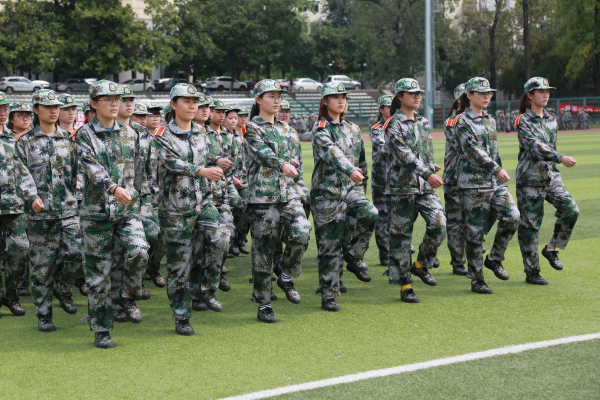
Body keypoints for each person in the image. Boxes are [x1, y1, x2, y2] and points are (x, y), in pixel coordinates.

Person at [76, 80, 150, 348]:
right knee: (99, 274)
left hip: (127, 210)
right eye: (108, 99)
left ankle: (128, 293)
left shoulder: (132, 133)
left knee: (140, 250)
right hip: (96, 214)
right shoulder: (84, 134)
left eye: (117, 98)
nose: (115, 103)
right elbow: (91, 167)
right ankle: (102, 329)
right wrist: (113, 187)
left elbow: (140, 171)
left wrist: (143, 199)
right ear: (94, 104)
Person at [153, 84, 229, 335]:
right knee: (179, 264)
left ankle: (207, 288)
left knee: (222, 236)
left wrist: (217, 160)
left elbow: (208, 154)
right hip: (175, 209)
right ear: (173, 104)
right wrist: (201, 171)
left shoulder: (201, 130)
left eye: (194, 101)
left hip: (202, 202)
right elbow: (172, 162)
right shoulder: (162, 134)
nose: (192, 106)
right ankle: (182, 316)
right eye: (186, 101)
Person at [14, 90, 82, 332]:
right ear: (36, 109)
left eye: (56, 106)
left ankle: (63, 287)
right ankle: (44, 315)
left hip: (69, 210)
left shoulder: (70, 140)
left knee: (76, 252)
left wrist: (79, 187)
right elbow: (20, 173)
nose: (54, 111)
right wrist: (31, 196)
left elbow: (80, 171)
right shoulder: (24, 142)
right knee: (42, 266)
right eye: (48, 106)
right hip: (40, 215)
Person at [244, 79, 312, 323]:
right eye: (270, 96)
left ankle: (284, 271)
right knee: (263, 250)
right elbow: (262, 153)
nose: (276, 100)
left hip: (288, 193)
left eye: (278, 96)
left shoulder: (289, 130)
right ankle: (264, 304)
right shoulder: (250, 128)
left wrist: (292, 167)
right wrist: (283, 163)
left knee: (302, 232)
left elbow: (295, 163)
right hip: (262, 197)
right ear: (258, 99)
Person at [311, 82, 377, 311]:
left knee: (370, 213)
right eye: (335, 97)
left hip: (351, 190)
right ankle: (329, 295)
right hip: (327, 193)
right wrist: (350, 170)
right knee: (329, 246)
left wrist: (362, 186)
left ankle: (353, 255)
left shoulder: (353, 128)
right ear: (325, 101)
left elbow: (361, 160)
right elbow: (332, 152)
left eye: (344, 97)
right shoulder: (320, 128)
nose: (341, 101)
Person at [455, 77, 520, 295]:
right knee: (474, 233)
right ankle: (477, 279)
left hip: (494, 182)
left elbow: (494, 150)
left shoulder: (490, 120)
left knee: (513, 216)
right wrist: (496, 169)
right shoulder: (462, 121)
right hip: (473, 184)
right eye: (481, 93)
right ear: (469, 95)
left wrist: (497, 171)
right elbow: (473, 150)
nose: (486, 96)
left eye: (488, 93)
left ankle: (494, 258)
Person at [384, 78, 445, 303]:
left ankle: (420, 264)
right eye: (412, 93)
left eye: (419, 93)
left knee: (439, 224)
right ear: (400, 97)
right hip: (402, 187)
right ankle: (405, 285)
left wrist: (429, 166)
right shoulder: (393, 124)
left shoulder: (423, 122)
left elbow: (423, 151)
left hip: (424, 186)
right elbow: (404, 154)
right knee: (401, 238)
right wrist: (426, 173)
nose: (417, 96)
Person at [515, 77, 579, 285]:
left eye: (547, 91)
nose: (545, 95)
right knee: (530, 227)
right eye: (541, 91)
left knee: (571, 210)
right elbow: (535, 146)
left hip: (550, 176)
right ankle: (532, 272)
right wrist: (560, 158)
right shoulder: (523, 120)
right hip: (530, 179)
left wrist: (555, 163)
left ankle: (551, 248)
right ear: (530, 95)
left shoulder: (552, 119)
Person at [111, 85, 157, 316]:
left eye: (131, 100)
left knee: (145, 241)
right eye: (123, 100)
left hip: (139, 198)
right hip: (110, 199)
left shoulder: (142, 132)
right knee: (115, 251)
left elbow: (148, 166)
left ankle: (129, 291)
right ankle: (116, 302)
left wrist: (150, 194)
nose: (129, 104)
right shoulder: (104, 132)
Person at [0, 92, 30, 318]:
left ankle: (10, 295)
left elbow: (24, 170)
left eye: (4, 109)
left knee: (20, 249)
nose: (2, 113)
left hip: (13, 205)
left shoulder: (14, 139)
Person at [205, 100, 238, 295]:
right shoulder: (202, 133)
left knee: (229, 232)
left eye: (223, 112)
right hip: (204, 192)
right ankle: (208, 274)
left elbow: (232, 162)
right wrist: (215, 160)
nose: (221, 115)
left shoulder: (228, 135)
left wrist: (231, 184)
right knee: (206, 237)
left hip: (222, 191)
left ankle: (216, 269)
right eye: (217, 112)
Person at [57, 94, 88, 298]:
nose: (70, 112)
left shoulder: (83, 135)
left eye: (73, 109)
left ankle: (77, 279)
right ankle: (62, 282)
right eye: (66, 109)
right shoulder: (54, 136)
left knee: (81, 244)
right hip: (61, 197)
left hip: (83, 195)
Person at [6, 103, 34, 297]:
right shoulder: (8, 139)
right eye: (20, 115)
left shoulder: (34, 139)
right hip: (12, 198)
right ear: (12, 119)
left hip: (31, 198)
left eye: (28, 115)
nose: (25, 119)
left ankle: (28, 282)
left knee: (29, 244)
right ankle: (19, 284)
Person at [443, 84, 469, 276]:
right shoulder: (453, 121)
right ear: (460, 99)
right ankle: (458, 261)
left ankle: (475, 244)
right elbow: (463, 145)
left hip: (475, 179)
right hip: (455, 177)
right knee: (455, 222)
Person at [370, 95, 393, 267]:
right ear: (381, 109)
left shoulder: (398, 126)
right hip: (381, 180)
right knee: (383, 217)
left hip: (397, 180)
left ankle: (397, 248)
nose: (393, 109)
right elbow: (384, 148)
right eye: (389, 106)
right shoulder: (377, 129)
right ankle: (385, 254)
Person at [232, 106, 250, 255]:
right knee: (234, 210)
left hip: (245, 179)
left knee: (248, 209)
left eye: (245, 116)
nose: (243, 119)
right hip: (230, 179)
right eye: (240, 116)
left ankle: (241, 239)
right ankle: (232, 241)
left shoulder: (247, 135)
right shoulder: (228, 135)